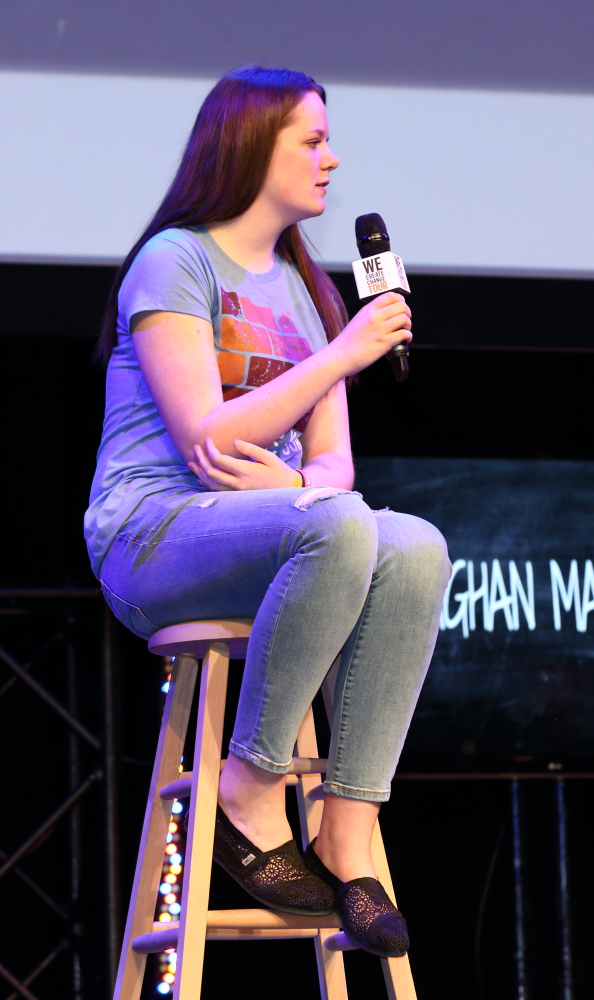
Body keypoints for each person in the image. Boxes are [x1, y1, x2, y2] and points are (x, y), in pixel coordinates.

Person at [86, 65, 451, 957]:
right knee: (340, 525)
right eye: (313, 140)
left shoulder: (306, 290)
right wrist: (342, 357)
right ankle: (251, 785)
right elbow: (206, 436)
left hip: (283, 529)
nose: (332, 159)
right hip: (154, 532)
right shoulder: (175, 261)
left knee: (415, 546)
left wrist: (294, 490)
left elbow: (332, 467)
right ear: (253, 147)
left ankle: (347, 826)